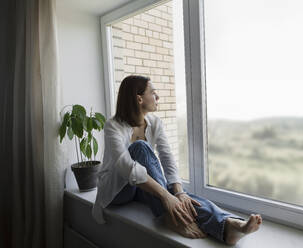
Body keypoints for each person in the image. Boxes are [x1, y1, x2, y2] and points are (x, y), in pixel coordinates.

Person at [92, 75, 262, 245]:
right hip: (118, 191)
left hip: (139, 185)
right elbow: (126, 168)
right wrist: (166, 195)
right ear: (139, 99)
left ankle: (227, 226)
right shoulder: (113, 126)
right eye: (153, 93)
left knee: (181, 196)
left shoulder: (155, 122)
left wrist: (178, 192)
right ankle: (170, 218)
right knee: (141, 148)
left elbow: (167, 158)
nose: (157, 97)